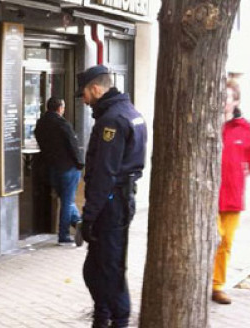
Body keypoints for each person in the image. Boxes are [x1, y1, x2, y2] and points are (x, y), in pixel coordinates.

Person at [76, 65, 146, 328]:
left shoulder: (112, 120)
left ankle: (117, 319)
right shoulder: (129, 112)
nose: (83, 100)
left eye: (83, 93)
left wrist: (89, 216)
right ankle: (104, 315)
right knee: (99, 267)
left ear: (95, 88)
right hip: (120, 199)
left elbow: (104, 173)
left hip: (111, 203)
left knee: (108, 267)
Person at [212, 79, 250, 304]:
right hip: (209, 198)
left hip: (233, 198)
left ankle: (217, 285)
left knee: (225, 242)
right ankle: (201, 280)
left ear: (235, 101)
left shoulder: (245, 128)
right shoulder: (207, 125)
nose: (222, 102)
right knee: (212, 240)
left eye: (226, 98)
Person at [34, 96, 84, 245]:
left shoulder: (41, 124)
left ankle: (79, 223)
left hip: (52, 168)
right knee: (67, 202)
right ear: (60, 108)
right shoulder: (63, 124)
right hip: (68, 168)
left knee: (66, 200)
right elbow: (73, 146)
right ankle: (64, 236)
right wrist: (80, 163)